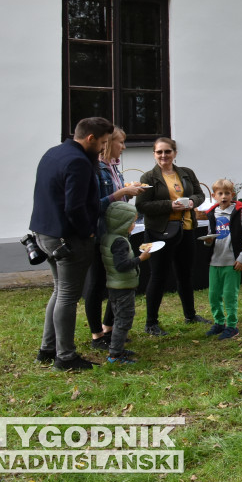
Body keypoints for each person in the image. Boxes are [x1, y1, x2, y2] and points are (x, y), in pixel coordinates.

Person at [30, 116, 114, 371]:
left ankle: (47, 348)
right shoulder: (78, 162)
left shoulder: (54, 153)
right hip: (67, 237)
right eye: (102, 142)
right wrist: (87, 231)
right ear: (90, 138)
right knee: (68, 295)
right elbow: (75, 206)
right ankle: (65, 357)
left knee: (59, 291)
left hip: (44, 233)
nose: (102, 148)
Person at [136, 137, 209, 336]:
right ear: (154, 154)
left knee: (185, 274)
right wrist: (170, 205)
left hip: (186, 229)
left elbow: (200, 194)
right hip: (159, 232)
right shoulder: (149, 177)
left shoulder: (186, 173)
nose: (163, 156)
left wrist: (192, 201)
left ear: (175, 153)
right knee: (158, 276)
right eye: (159, 152)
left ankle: (190, 315)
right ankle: (151, 323)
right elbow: (141, 206)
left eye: (167, 151)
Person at [84, 127, 145, 351]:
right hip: (100, 235)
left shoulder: (114, 168)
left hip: (118, 233)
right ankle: (96, 335)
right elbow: (94, 205)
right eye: (121, 142)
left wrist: (129, 191)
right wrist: (118, 195)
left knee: (117, 280)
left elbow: (117, 204)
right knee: (98, 282)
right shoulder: (95, 169)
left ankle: (109, 328)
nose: (124, 147)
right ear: (109, 143)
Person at [202, 178, 242, 340]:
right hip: (215, 262)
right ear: (214, 196)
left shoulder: (238, 213)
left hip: (232, 263)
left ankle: (232, 326)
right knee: (213, 295)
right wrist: (207, 241)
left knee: (230, 295)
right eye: (220, 193)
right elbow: (210, 236)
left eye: (227, 193)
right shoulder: (212, 213)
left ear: (232, 195)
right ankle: (219, 322)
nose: (224, 196)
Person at [99, 201, 151, 365]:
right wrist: (140, 259)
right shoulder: (120, 242)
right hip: (123, 286)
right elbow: (121, 266)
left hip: (114, 285)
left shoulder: (109, 237)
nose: (134, 225)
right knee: (124, 320)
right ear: (122, 223)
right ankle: (115, 355)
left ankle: (117, 348)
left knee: (119, 318)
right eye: (132, 222)